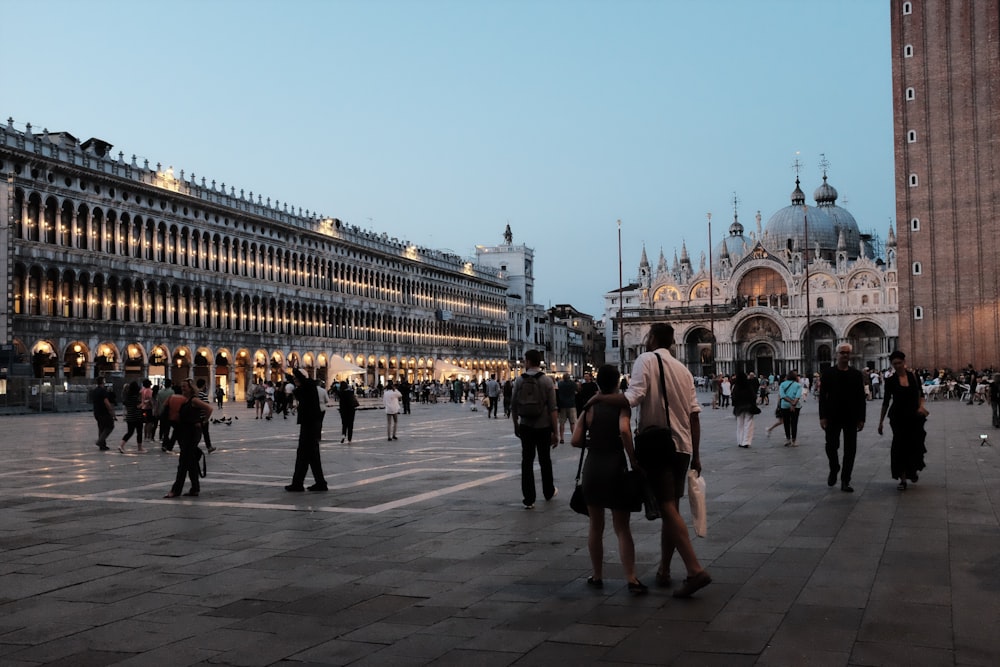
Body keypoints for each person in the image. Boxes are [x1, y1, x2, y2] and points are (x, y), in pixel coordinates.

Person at [587, 323, 711, 598]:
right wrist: (697, 455)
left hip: (658, 445)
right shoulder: (684, 370)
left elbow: (632, 397)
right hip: (682, 447)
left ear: (653, 338)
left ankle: (695, 570)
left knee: (666, 507)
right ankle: (665, 570)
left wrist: (598, 398)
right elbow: (694, 416)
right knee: (672, 510)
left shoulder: (645, 359)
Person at [571, 364, 646, 595]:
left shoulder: (589, 407)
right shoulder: (621, 406)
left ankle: (597, 575)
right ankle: (631, 578)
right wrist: (632, 458)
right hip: (615, 465)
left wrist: (594, 443)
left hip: (592, 467)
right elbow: (624, 430)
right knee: (622, 527)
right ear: (617, 382)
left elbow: (575, 439)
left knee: (595, 525)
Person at [511, 349, 559, 510]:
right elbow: (553, 408)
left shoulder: (519, 380)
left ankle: (529, 498)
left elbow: (513, 404)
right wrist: (556, 432)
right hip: (544, 426)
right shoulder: (547, 381)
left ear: (529, 361)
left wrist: (515, 424)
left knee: (527, 461)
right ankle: (548, 491)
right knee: (545, 460)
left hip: (526, 425)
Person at [877, 351, 929, 490]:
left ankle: (912, 470)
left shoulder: (914, 376)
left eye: (899, 363)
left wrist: (921, 407)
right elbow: (886, 402)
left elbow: (920, 394)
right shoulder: (890, 381)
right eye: (895, 364)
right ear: (892, 365)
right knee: (900, 446)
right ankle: (903, 477)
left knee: (915, 444)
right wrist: (880, 422)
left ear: (904, 362)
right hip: (897, 417)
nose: (898, 366)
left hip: (914, 416)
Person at [819, 343, 867, 493]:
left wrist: (861, 418)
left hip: (851, 416)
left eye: (847, 353)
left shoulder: (856, 374)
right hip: (832, 416)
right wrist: (822, 416)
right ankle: (834, 468)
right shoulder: (827, 373)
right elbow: (822, 397)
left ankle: (845, 480)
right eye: (842, 353)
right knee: (831, 446)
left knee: (850, 450)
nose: (845, 355)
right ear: (836, 355)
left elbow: (861, 398)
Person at [164, 379, 212, 498]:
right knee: (190, 461)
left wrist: (203, 422)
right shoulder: (184, 400)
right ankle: (195, 488)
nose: (183, 388)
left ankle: (176, 490)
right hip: (185, 432)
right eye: (182, 386)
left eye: (185, 386)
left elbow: (209, 409)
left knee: (183, 462)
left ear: (191, 388)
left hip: (192, 433)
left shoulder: (194, 400)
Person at [285, 369, 328, 492]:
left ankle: (298, 484)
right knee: (312, 456)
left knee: (303, 455)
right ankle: (320, 483)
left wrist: (293, 369)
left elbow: (303, 380)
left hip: (310, 425)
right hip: (309, 424)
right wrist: (288, 374)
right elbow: (297, 383)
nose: (296, 382)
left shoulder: (309, 386)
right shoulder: (304, 388)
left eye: (297, 380)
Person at [731, 371, 758, 449]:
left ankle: (740, 441)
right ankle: (746, 441)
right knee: (748, 424)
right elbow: (753, 396)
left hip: (739, 407)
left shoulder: (736, 386)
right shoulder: (748, 385)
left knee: (740, 424)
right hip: (748, 406)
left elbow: (734, 397)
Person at [117, 381, 144, 453]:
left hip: (129, 416)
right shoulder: (136, 397)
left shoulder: (127, 397)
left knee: (129, 432)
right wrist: (143, 403)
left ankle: (121, 445)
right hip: (137, 416)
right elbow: (138, 406)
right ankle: (140, 447)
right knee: (139, 432)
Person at [778, 371, 802, 447]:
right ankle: (794, 441)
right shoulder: (798, 385)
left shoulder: (782, 384)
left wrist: (790, 402)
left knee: (786, 423)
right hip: (796, 407)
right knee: (794, 423)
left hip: (784, 406)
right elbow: (798, 396)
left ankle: (788, 439)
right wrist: (793, 403)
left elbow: (782, 395)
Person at [91, 376, 116, 451]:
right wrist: (111, 412)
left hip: (97, 412)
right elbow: (106, 402)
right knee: (110, 426)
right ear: (103, 381)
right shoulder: (103, 391)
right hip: (104, 412)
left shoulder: (95, 390)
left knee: (101, 428)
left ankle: (102, 445)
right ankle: (100, 441)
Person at [556, 373, 578, 443]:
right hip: (571, 404)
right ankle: (573, 437)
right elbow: (577, 391)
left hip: (562, 405)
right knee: (572, 422)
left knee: (562, 423)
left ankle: (562, 438)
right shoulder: (573, 384)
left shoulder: (560, 384)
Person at [196, 378, 216, 454]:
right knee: (205, 433)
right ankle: (209, 447)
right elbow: (207, 407)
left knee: (197, 433)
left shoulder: (195, 394)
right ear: (204, 385)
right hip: (202, 417)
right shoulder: (203, 395)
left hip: (196, 417)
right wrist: (206, 419)